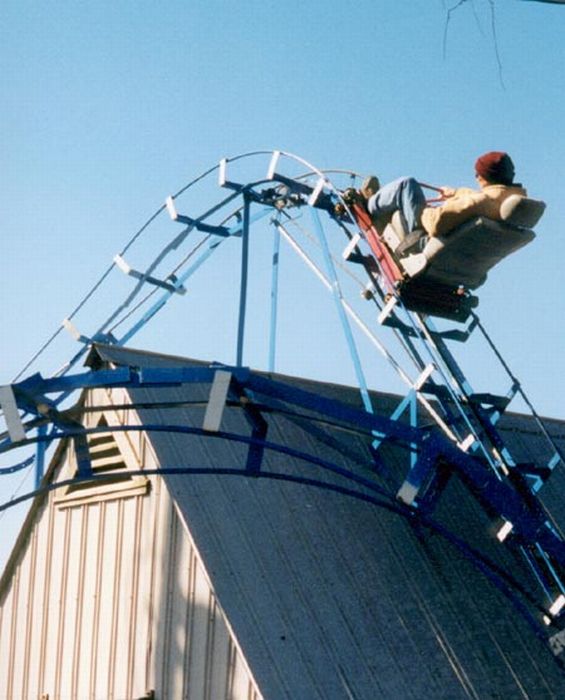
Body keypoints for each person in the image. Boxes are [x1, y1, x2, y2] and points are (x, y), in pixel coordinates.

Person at [363, 151, 527, 242]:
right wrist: (455, 193)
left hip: (422, 240)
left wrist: (427, 209)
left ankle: (370, 203)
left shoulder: (479, 202)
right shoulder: (507, 204)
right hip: (456, 257)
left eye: (478, 174)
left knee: (406, 185)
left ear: (486, 177)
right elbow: (482, 199)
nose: (476, 177)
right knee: (409, 193)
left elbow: (436, 223)